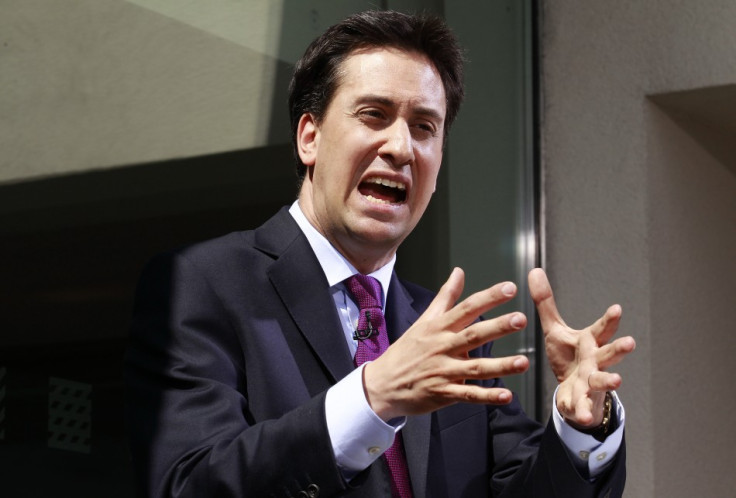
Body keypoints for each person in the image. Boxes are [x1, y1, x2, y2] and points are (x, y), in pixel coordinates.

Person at [125, 10, 636, 498]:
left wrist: (581, 426)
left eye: (423, 127)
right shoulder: (203, 284)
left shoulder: (450, 335)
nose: (400, 147)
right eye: (375, 115)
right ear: (310, 136)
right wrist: (372, 398)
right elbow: (187, 483)